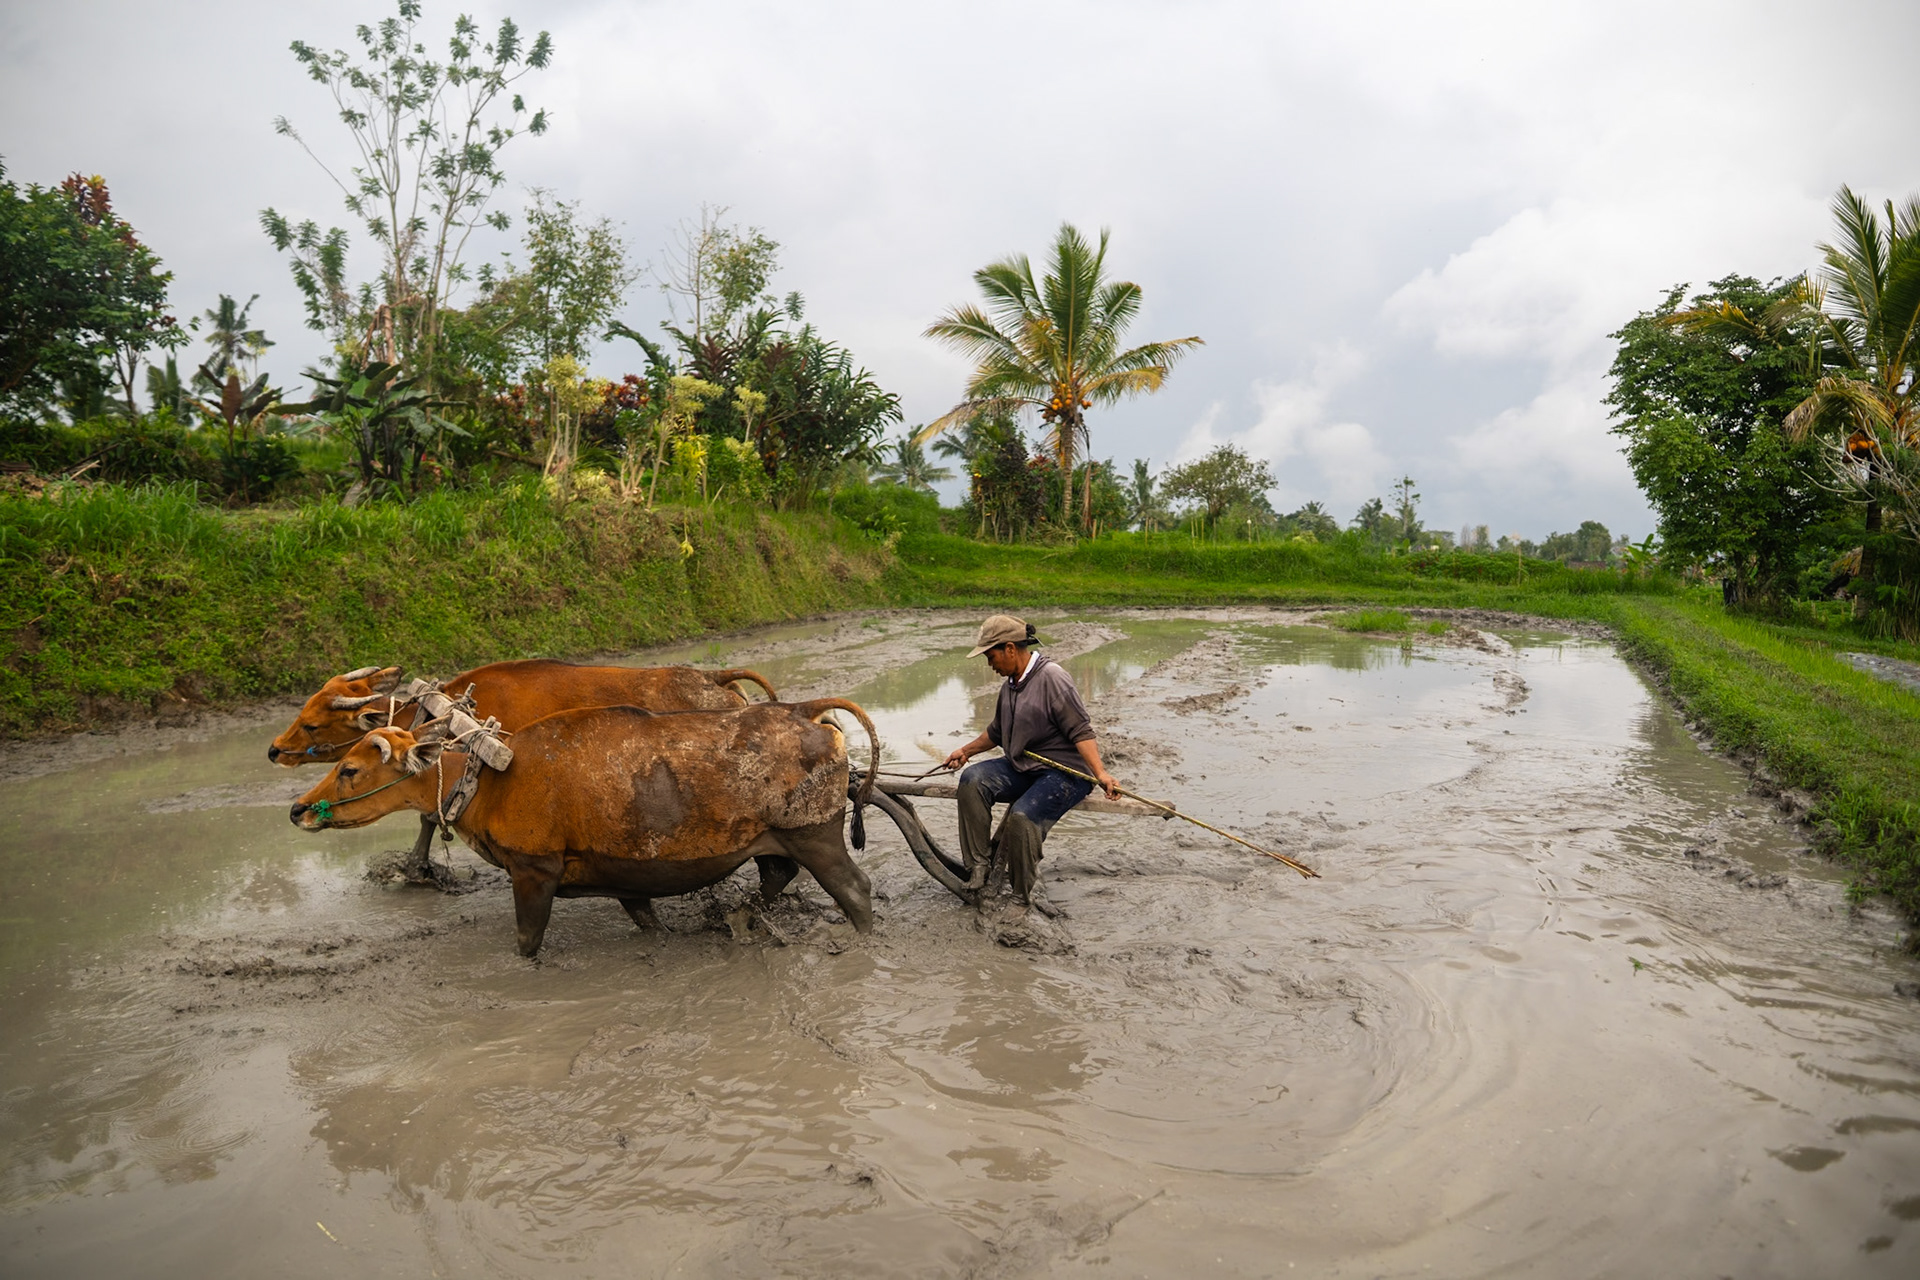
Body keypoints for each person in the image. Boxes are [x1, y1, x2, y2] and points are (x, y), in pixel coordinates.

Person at [942, 614, 1119, 912]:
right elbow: (997, 732)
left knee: (1022, 817)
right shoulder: (1010, 686)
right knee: (972, 780)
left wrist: (1100, 773)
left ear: (1010, 649)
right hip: (1024, 767)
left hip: (1064, 774)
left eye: (991, 656)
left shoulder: (1053, 679)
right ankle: (979, 866)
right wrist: (966, 751)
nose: (990, 664)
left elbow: (1081, 731)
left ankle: (1020, 896)